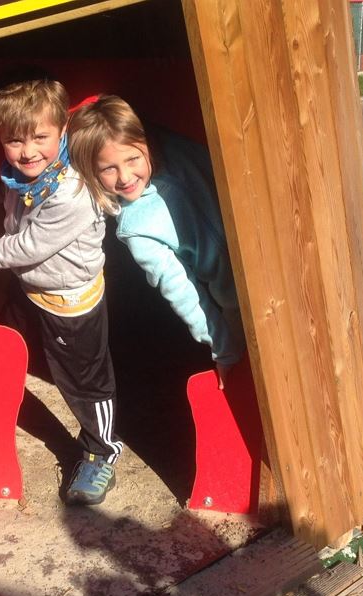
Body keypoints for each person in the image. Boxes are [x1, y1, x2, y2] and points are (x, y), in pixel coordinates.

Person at [0, 75, 123, 506]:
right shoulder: (20, 176)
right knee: (3, 339)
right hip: (34, 289)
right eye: (14, 140)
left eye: (40, 137)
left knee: (84, 381)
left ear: (62, 130)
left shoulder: (70, 191)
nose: (27, 151)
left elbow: (29, 246)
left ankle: (101, 452)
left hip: (70, 302)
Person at [68, 95, 245, 388]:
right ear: (92, 172)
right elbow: (182, 292)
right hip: (236, 302)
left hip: (265, 249)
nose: (125, 176)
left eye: (132, 159)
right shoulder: (136, 227)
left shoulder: (174, 148)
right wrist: (224, 349)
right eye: (108, 168)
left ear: (146, 144)